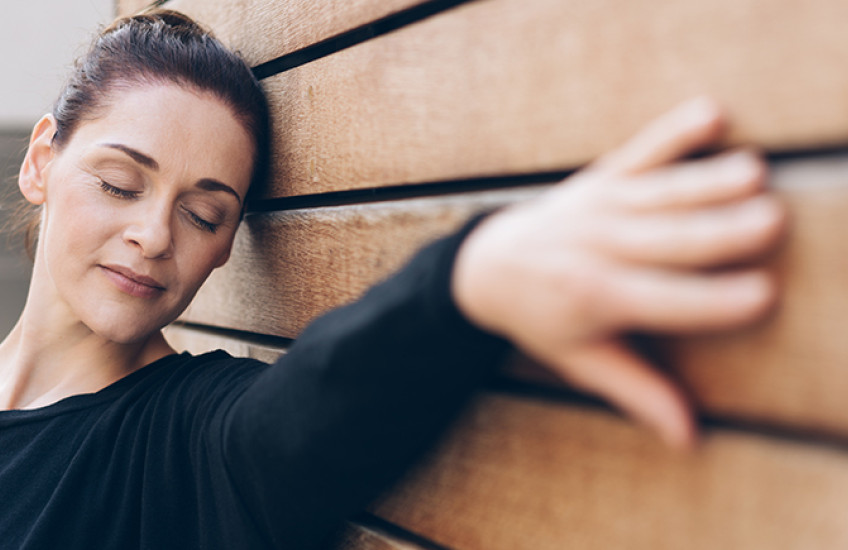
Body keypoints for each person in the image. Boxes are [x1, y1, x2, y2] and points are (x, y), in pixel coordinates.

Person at [0, 9, 785, 550]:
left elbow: (302, 411)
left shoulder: (189, 441)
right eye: (119, 183)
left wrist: (475, 279)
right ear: (42, 161)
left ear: (227, 247)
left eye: (205, 216)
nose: (153, 234)